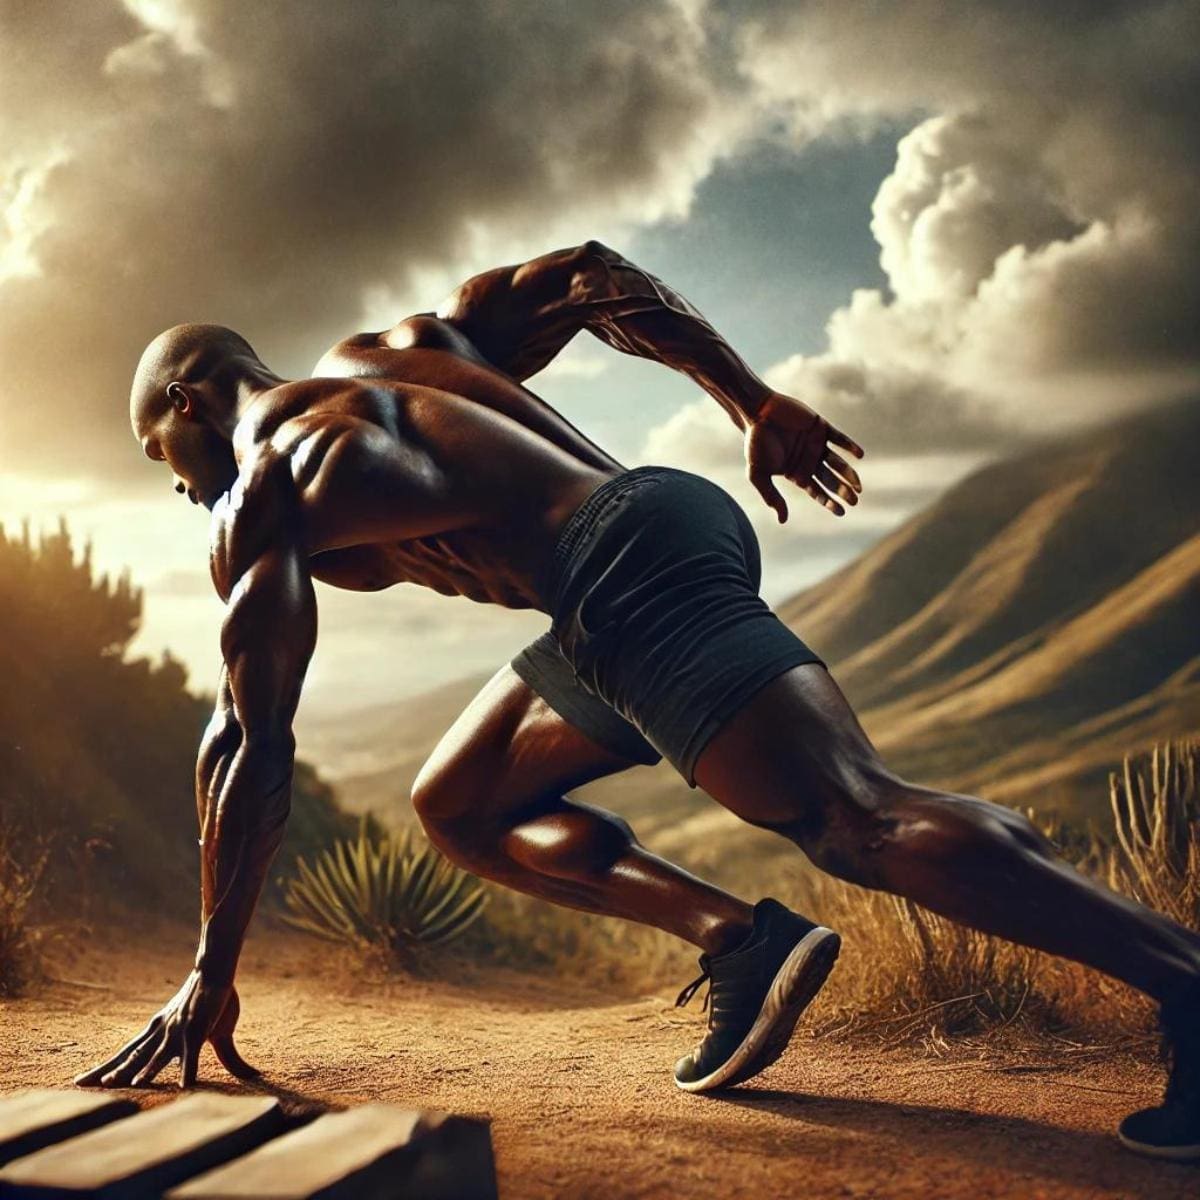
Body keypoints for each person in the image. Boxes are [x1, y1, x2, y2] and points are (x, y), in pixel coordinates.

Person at [78, 243, 1200, 1161]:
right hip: (642, 536)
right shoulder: (397, 352)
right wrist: (746, 397)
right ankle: (743, 942)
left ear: (188, 398)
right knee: (459, 804)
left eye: (156, 450)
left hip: (613, 570)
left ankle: (1181, 976)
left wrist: (207, 974)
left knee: (854, 818)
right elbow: (588, 276)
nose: (174, 482)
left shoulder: (266, 482)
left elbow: (246, 739)